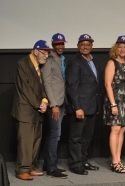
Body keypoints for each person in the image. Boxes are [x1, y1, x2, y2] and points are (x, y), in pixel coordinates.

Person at [11, 40, 52, 180]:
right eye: (44, 52)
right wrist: (39, 104)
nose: (46, 55)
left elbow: (42, 87)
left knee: (36, 140)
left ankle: (30, 167)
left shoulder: (39, 67)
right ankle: (22, 169)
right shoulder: (23, 64)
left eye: (48, 53)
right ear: (35, 51)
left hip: (37, 111)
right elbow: (25, 88)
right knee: (25, 141)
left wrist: (45, 101)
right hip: (25, 111)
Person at [66, 34, 102, 175]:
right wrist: (77, 107)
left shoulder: (95, 61)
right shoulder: (74, 62)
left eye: (88, 44)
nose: (85, 47)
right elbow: (71, 87)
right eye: (82, 44)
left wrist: (97, 106)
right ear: (78, 46)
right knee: (76, 138)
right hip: (80, 107)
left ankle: (83, 160)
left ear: (92, 46)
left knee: (87, 137)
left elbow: (96, 85)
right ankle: (75, 164)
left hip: (92, 107)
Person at [103, 35, 125, 173]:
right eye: (120, 47)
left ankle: (118, 159)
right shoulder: (112, 63)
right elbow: (107, 85)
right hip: (114, 101)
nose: (122, 49)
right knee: (115, 130)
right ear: (116, 48)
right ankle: (114, 161)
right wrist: (113, 104)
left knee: (122, 130)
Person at [41, 33, 68, 178]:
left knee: (53, 134)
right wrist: (54, 105)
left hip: (61, 102)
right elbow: (47, 83)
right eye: (58, 44)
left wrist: (62, 104)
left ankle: (48, 165)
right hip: (54, 103)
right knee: (55, 134)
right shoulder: (49, 60)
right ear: (53, 45)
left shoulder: (62, 59)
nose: (60, 46)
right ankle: (51, 168)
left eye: (62, 44)